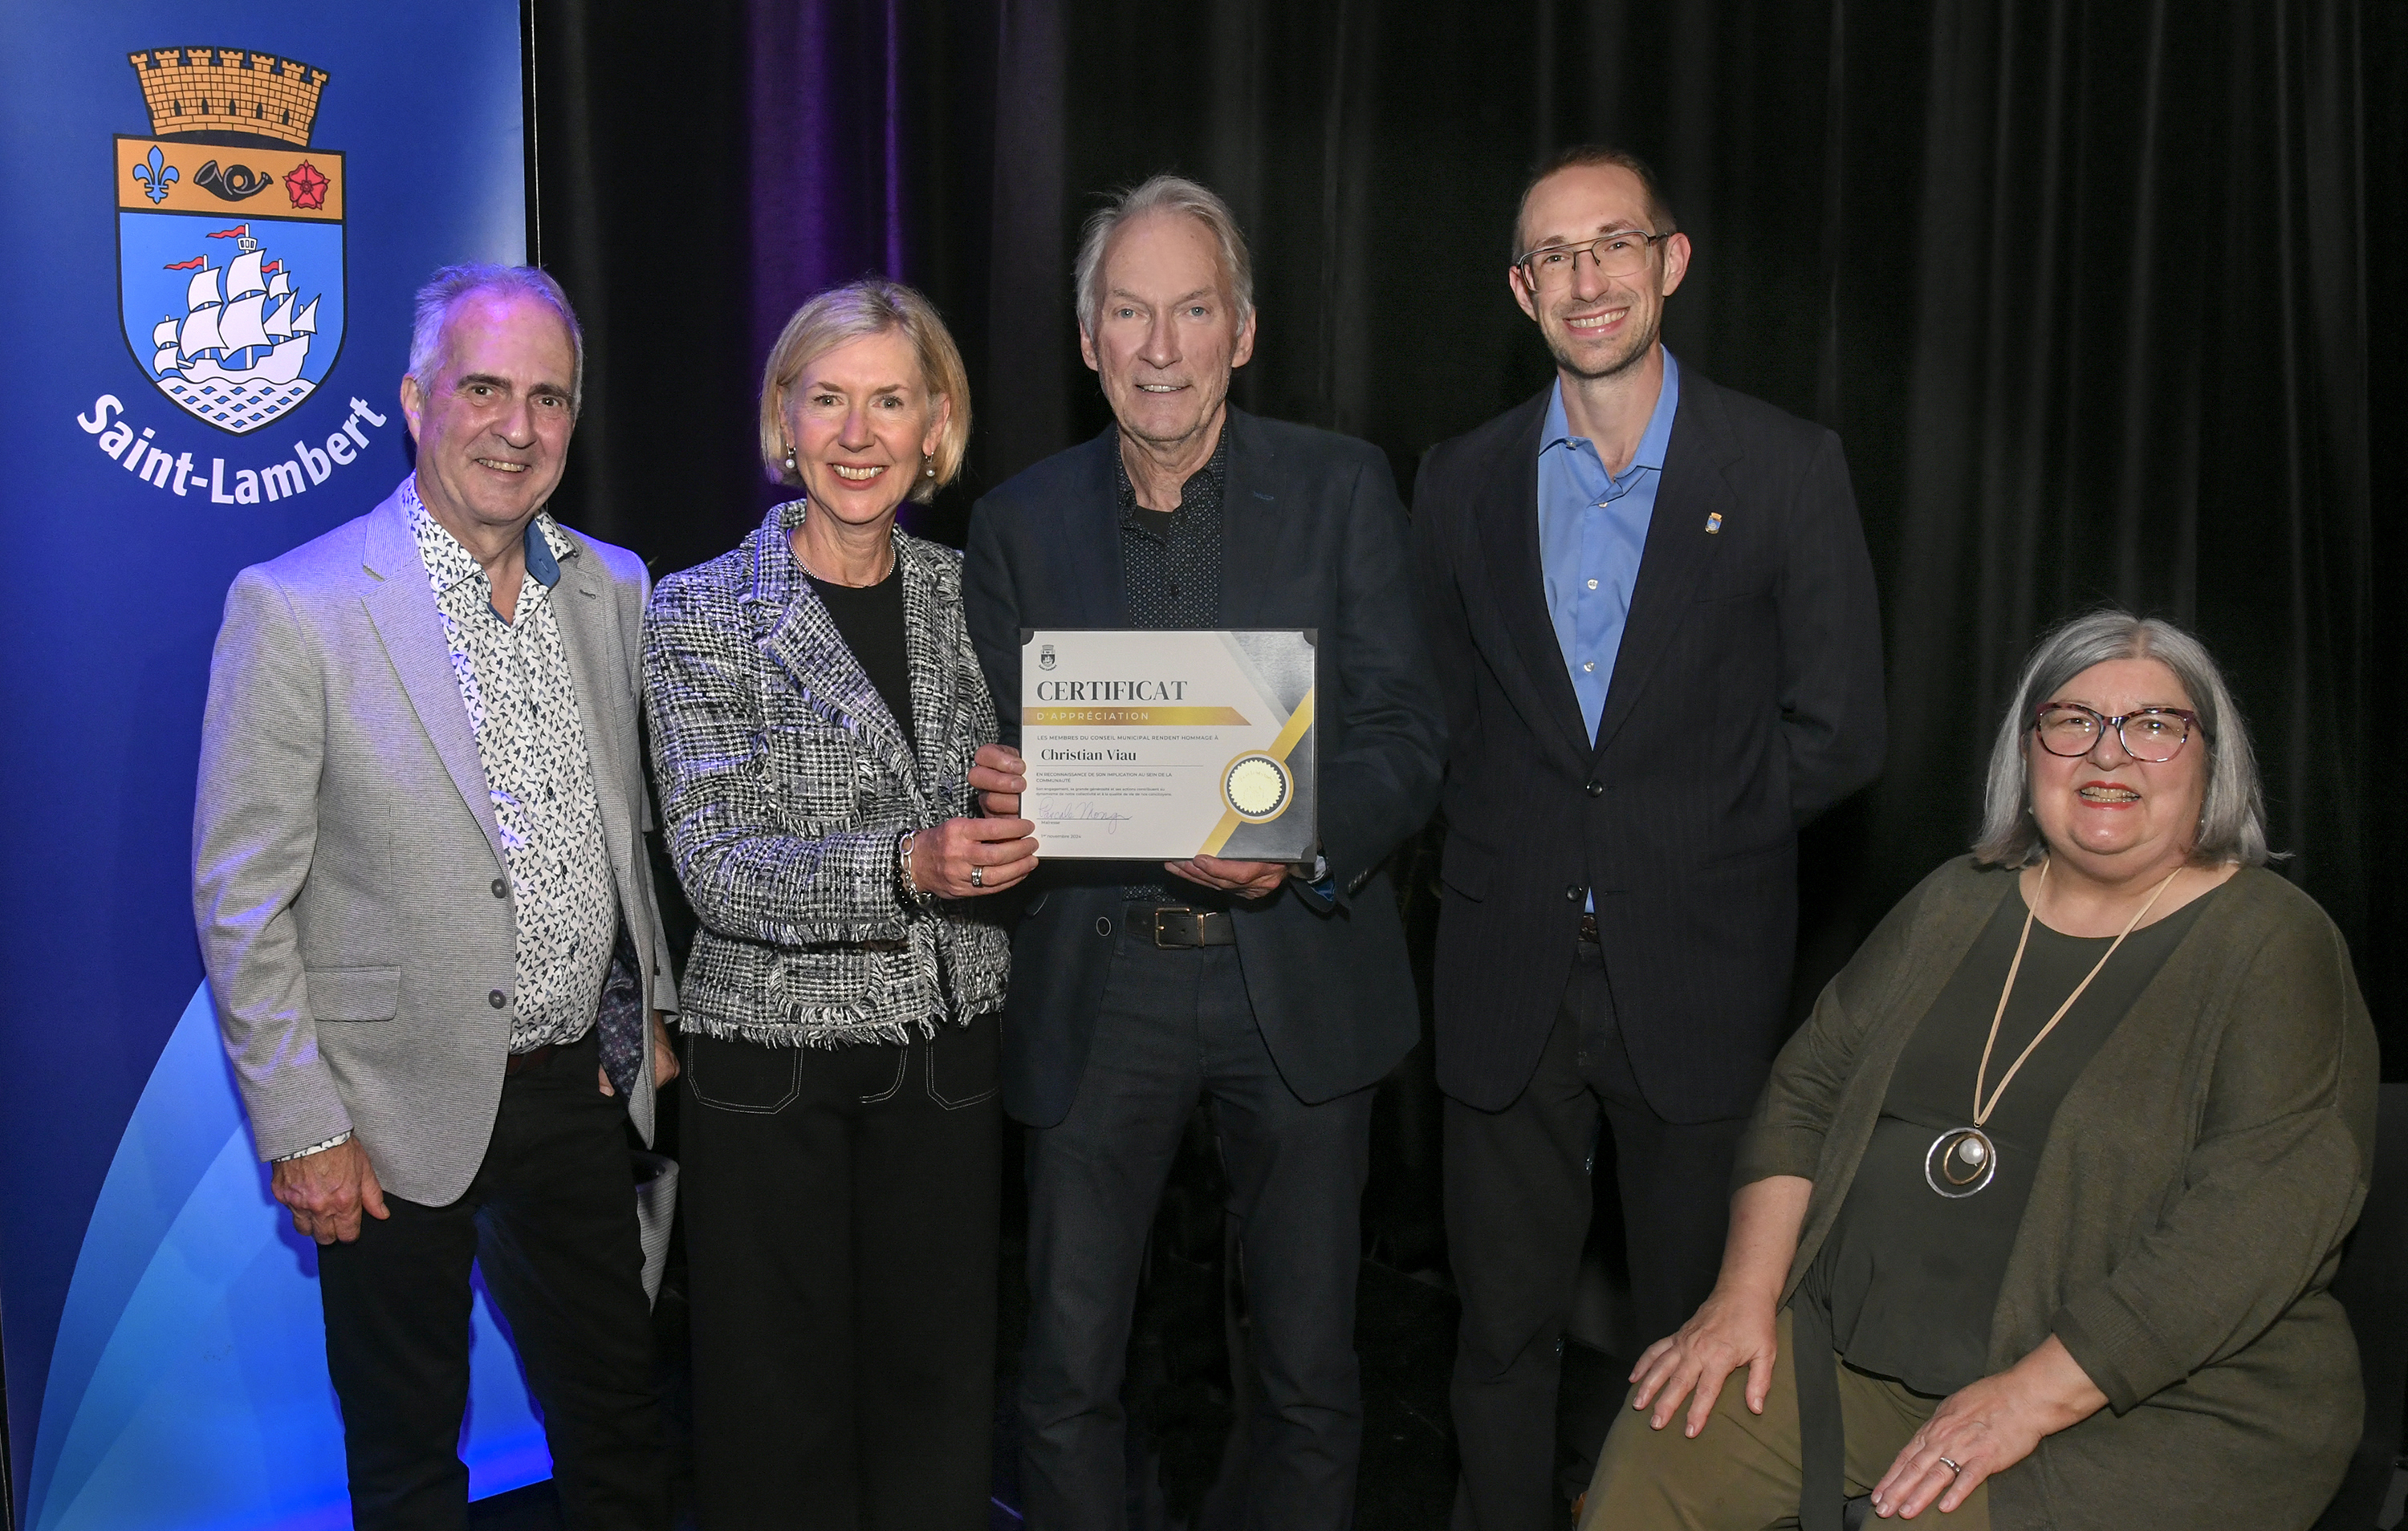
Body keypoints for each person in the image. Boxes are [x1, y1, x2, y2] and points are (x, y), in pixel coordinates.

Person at [1580, 609, 2375, 1530]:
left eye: (2155, 727)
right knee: (1662, 1441)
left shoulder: (2274, 943)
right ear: (2028, 750)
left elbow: (2254, 1229)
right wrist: (1742, 1298)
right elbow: (1806, 1091)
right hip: (1858, 1357)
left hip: (2141, 1408)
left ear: (2211, 759)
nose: (2108, 757)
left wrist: (2026, 1399)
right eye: (2071, 721)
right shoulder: (1956, 900)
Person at [1409, 144, 1889, 1528]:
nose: (1587, 278)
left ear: (1670, 262)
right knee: (1500, 1333)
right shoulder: (1459, 480)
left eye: (1612, 244)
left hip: (1703, 967)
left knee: (1695, 1336)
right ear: (1520, 290)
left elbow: (1841, 727)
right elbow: (1438, 718)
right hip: (1505, 970)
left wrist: (1686, 839)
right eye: (1554, 256)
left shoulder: (1788, 467)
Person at [963, 174, 1445, 1529]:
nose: (1159, 347)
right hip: (1096, 987)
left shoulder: (1344, 488)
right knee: (1065, 1377)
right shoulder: (1018, 522)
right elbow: (994, 746)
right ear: (1086, 338)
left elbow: (1409, 736)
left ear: (1242, 329)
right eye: (1129, 312)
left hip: (1290, 972)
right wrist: (999, 782)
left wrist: (1294, 842)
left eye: (1191, 310)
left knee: (1307, 1371)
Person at [193, 263, 681, 1529]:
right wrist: (303, 1128)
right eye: (484, 390)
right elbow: (240, 897)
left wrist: (646, 1021)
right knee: (409, 1460)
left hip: (575, 1089)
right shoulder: (294, 609)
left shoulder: (613, 588)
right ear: (416, 402)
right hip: (384, 1114)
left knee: (621, 1428)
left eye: (549, 399)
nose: (517, 428)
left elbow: (624, 831)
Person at [641, 279, 1032, 1530]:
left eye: (890, 402)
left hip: (945, 1054)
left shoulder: (977, 596)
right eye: (829, 401)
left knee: (937, 1408)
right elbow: (718, 867)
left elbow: (1025, 796)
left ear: (938, 426)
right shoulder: (698, 610)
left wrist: (1047, 791)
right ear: (784, 421)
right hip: (768, 1071)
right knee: (774, 1421)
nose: (858, 436)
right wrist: (909, 864)